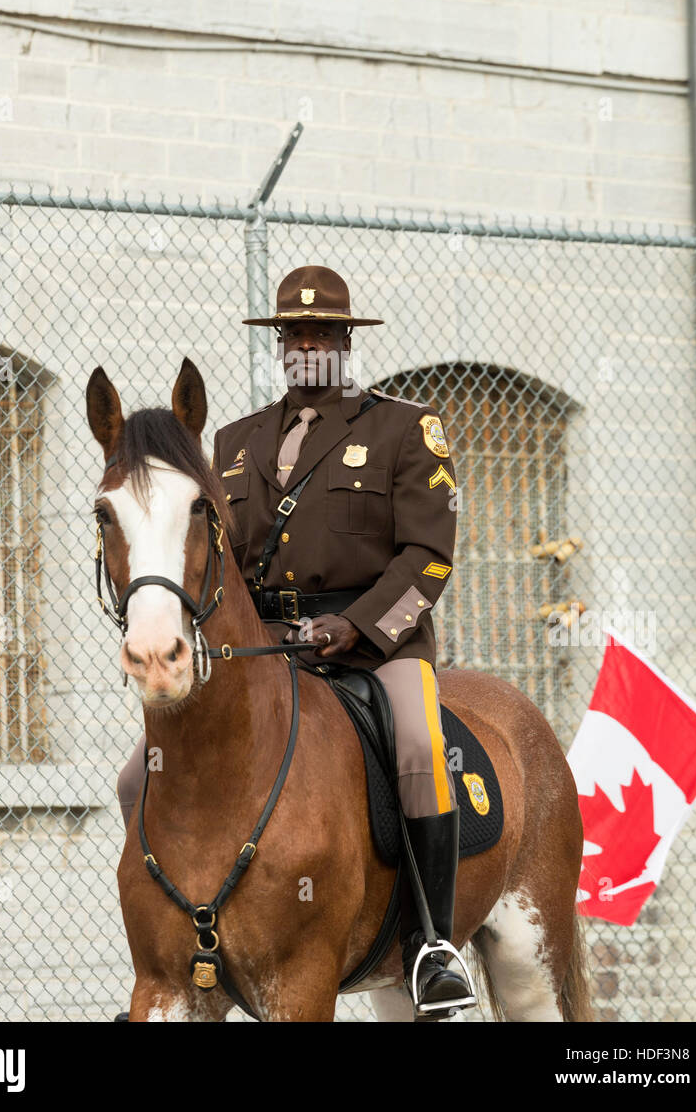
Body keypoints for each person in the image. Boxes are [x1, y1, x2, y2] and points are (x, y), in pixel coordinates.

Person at [116, 265, 474, 1019]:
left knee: (416, 744)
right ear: (280, 344)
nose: (308, 344)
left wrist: (359, 625)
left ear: (346, 342)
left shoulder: (405, 429)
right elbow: (222, 559)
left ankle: (433, 943)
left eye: (324, 333)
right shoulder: (235, 440)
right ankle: (173, 928)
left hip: (378, 643)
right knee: (131, 778)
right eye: (295, 333)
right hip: (270, 648)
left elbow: (429, 554)